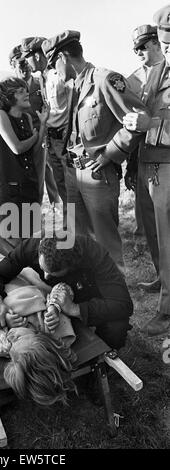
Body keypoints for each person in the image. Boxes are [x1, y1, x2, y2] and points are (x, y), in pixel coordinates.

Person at [41, 30, 150, 269]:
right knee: (78, 238)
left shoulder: (104, 80)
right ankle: (87, 287)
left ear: (63, 57)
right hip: (73, 171)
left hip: (97, 174)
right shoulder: (73, 87)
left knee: (105, 241)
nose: (53, 70)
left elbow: (138, 119)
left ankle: (115, 294)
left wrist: (111, 153)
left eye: (53, 64)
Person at [0, 232, 134, 351]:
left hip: (90, 297)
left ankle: (103, 359)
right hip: (55, 297)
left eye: (52, 274)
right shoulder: (32, 246)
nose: (45, 276)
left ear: (71, 267)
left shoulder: (95, 256)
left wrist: (75, 309)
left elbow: (123, 305)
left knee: (116, 329)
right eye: (43, 269)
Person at [122, 4, 170, 336]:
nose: (165, 50)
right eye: (166, 43)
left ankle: (166, 313)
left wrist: (150, 122)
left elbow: (156, 119)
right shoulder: (156, 72)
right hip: (153, 163)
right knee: (163, 241)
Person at [0, 281, 77, 406]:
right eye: (18, 338)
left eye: (11, 356)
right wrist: (55, 307)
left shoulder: (2, 345)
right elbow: (64, 287)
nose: (10, 337)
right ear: (40, 339)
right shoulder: (52, 326)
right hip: (18, 278)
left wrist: (1, 318)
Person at [125, 25, 163, 292]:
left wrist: (151, 123)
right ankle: (163, 276)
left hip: (166, 159)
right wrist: (130, 164)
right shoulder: (134, 78)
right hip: (142, 157)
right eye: (135, 47)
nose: (138, 51)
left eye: (143, 46)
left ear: (157, 43)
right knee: (150, 224)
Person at [0, 77, 49, 237]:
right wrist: (34, 137)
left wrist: (43, 125)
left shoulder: (27, 118)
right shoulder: (0, 116)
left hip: (29, 182)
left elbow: (34, 150)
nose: (26, 94)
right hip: (12, 187)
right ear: (8, 97)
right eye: (20, 91)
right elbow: (17, 148)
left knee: (32, 233)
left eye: (26, 90)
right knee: (14, 236)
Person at [22, 36, 72, 209]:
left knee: (72, 186)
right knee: (62, 186)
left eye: (27, 57)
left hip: (65, 139)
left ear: (36, 56)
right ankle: (69, 227)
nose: (26, 63)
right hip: (51, 139)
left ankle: (82, 229)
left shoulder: (59, 74)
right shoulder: (42, 77)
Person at [9, 43, 60, 204]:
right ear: (12, 65)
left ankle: (57, 207)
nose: (25, 67)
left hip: (43, 136)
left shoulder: (41, 83)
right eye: (20, 64)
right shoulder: (8, 89)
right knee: (29, 179)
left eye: (26, 63)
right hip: (22, 140)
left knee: (52, 175)